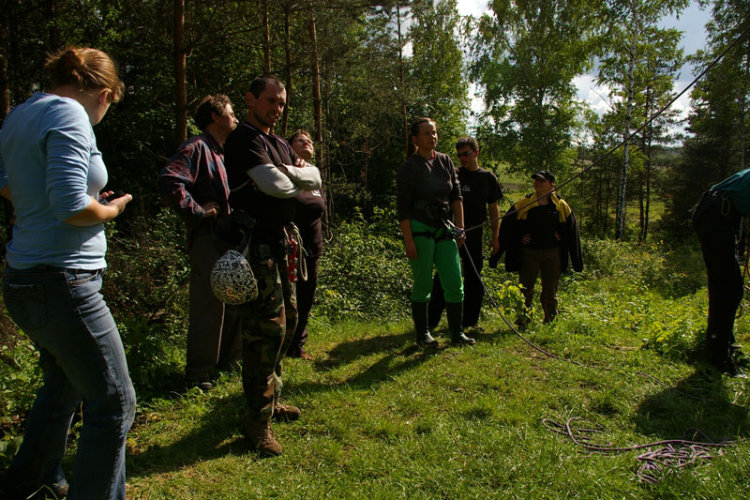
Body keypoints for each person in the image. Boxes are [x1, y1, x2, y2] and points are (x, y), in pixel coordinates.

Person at [0, 46, 135, 500]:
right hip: (64, 281)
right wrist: (111, 210)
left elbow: (5, 181)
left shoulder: (21, 114)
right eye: (109, 104)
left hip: (24, 277)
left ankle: (30, 480)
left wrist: (34, 204)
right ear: (104, 93)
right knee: (115, 402)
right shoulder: (71, 114)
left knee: (63, 385)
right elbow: (73, 206)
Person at [223, 76, 321, 456]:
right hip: (255, 246)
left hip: (281, 244)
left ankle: (272, 398)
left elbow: (314, 177)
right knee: (266, 331)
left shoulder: (278, 142)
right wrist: (290, 177)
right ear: (250, 100)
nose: (277, 109)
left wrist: (287, 174)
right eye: (270, 101)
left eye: (281, 103)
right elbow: (276, 186)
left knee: (289, 323)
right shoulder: (243, 139)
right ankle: (256, 420)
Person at [160, 94, 242, 390]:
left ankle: (228, 362)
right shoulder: (196, 147)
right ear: (216, 116)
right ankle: (198, 376)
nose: (236, 118)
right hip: (208, 237)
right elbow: (170, 180)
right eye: (231, 113)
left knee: (234, 299)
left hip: (230, 238)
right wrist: (198, 211)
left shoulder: (224, 152)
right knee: (209, 305)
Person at [397, 117, 475, 347]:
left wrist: (460, 228)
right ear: (415, 139)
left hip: (445, 227)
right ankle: (423, 334)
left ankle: (457, 333)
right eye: (427, 133)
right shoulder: (409, 167)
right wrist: (408, 240)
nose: (432, 136)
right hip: (420, 228)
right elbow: (402, 207)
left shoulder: (445, 160)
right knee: (423, 283)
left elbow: (456, 196)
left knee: (454, 280)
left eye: (434, 132)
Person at [429, 137, 502, 334]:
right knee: (443, 276)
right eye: (459, 155)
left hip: (475, 234)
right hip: (452, 233)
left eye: (466, 154)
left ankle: (470, 322)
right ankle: (431, 321)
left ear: (476, 153)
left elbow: (493, 208)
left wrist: (496, 236)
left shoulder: (487, 177)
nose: (462, 158)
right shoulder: (454, 174)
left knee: (474, 277)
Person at [494, 171, 582, 325]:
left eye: (542, 181)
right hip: (530, 253)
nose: (538, 183)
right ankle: (523, 318)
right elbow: (508, 226)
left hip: (552, 253)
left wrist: (562, 236)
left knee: (550, 289)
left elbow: (571, 230)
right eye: (536, 181)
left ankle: (550, 319)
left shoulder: (561, 205)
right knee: (525, 288)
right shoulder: (524, 203)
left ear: (551, 184)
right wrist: (520, 237)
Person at [691, 168, 750, 377]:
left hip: (720, 214)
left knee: (727, 286)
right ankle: (719, 356)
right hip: (716, 215)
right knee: (729, 288)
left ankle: (722, 347)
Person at [287, 129, 325, 361]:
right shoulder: (284, 171)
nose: (307, 143)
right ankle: (281, 344)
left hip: (312, 247)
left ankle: (297, 345)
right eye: (301, 140)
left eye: (309, 141)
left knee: (306, 298)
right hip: (289, 247)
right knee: (286, 298)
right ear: (289, 146)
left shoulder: (314, 176)